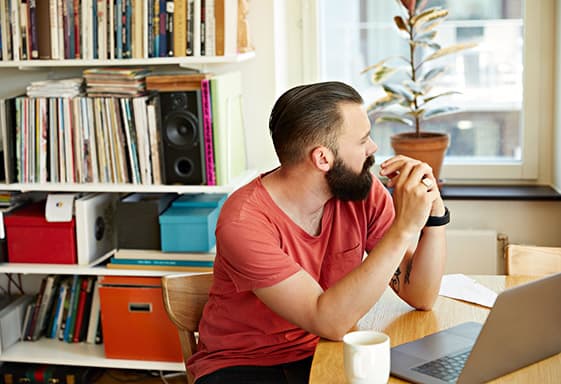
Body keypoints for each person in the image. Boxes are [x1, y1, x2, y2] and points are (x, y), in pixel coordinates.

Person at [189, 81, 448, 383]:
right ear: (323, 158)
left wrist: (433, 213)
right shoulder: (243, 221)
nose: (373, 148)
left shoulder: (361, 191)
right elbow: (329, 320)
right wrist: (403, 228)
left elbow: (421, 295)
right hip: (244, 363)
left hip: (324, 348)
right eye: (363, 140)